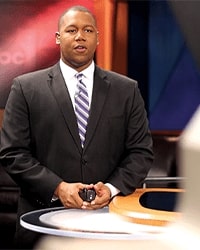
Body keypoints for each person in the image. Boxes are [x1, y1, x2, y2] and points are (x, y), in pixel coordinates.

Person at [0, 5, 153, 249]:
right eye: (71, 30)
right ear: (58, 38)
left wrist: (111, 189)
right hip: (40, 224)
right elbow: (12, 153)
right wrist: (58, 188)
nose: (80, 36)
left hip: (108, 225)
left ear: (97, 38)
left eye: (88, 30)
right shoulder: (25, 88)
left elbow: (141, 152)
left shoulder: (126, 90)